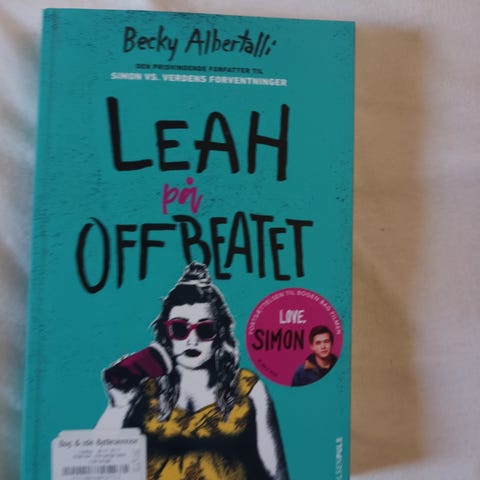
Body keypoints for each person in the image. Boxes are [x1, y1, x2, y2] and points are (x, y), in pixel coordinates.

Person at [97, 262, 289, 480]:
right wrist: (118, 406)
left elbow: (277, 475)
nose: (192, 340)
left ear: (220, 334)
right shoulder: (143, 389)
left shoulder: (248, 389)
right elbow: (95, 469)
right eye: (180, 328)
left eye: (205, 329)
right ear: (166, 333)